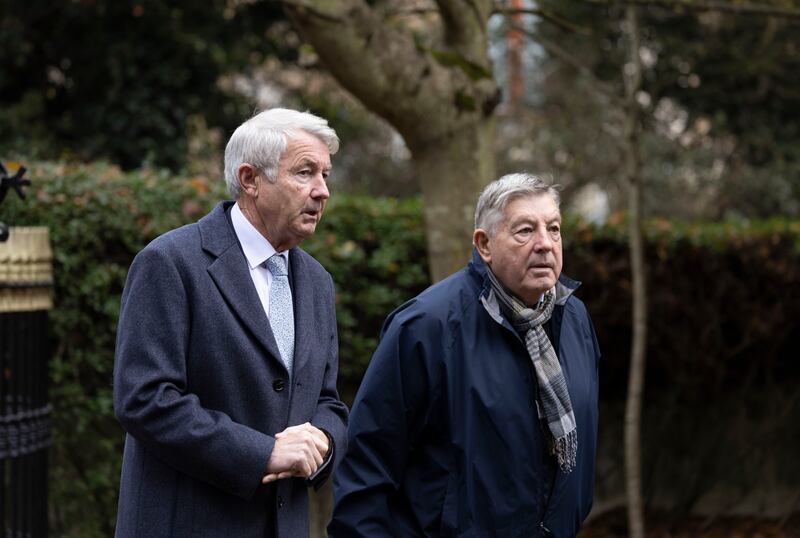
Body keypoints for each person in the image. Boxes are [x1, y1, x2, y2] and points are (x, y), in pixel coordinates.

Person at [113, 108, 349, 537]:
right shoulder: (169, 262)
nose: (322, 191)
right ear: (250, 179)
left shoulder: (317, 281)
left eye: (325, 175)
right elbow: (145, 399)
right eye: (305, 173)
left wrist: (324, 442)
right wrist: (262, 453)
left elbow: (327, 400)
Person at [329, 173, 600, 538]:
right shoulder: (426, 326)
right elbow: (366, 468)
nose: (545, 244)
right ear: (484, 244)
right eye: (525, 231)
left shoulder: (574, 318)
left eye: (553, 229)